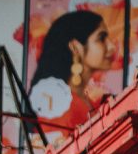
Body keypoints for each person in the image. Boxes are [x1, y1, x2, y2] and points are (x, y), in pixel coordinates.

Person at [28, 11, 115, 139]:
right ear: (75, 47)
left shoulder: (85, 101)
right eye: (101, 38)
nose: (112, 46)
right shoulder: (57, 105)